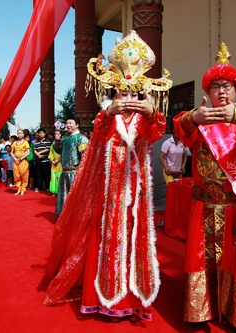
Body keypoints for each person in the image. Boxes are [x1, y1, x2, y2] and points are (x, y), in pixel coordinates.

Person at [39, 30, 172, 322]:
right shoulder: (106, 117)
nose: (128, 98)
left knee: (135, 241)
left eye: (133, 93)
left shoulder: (144, 119)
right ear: (115, 93)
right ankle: (105, 301)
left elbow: (156, 132)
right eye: (122, 93)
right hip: (109, 194)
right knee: (107, 241)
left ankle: (135, 301)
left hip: (136, 195)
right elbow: (100, 134)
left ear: (141, 94)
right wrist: (110, 112)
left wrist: (150, 112)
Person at [173, 42, 236, 332]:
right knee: (199, 258)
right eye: (216, 86)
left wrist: (235, 115)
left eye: (227, 85)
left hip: (234, 205)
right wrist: (194, 117)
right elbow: (179, 126)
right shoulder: (200, 120)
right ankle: (199, 311)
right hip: (203, 204)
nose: (222, 91)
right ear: (208, 92)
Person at [54, 117, 88, 216]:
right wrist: (58, 141)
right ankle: (65, 216)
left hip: (75, 172)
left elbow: (85, 157)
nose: (68, 125)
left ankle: (76, 216)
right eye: (66, 123)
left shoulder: (81, 138)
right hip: (64, 171)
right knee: (64, 195)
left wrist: (81, 173)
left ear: (77, 125)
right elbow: (57, 150)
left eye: (70, 123)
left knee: (75, 196)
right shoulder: (65, 138)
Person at [11, 130, 30, 195]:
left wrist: (21, 158)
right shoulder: (15, 142)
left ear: (23, 134)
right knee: (16, 175)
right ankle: (18, 188)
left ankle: (23, 189)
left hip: (23, 160)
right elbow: (11, 152)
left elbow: (28, 152)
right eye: (18, 133)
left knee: (24, 175)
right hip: (15, 161)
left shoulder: (25, 142)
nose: (20, 135)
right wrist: (15, 159)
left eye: (21, 133)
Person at [33, 128, 51, 193]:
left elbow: (47, 149)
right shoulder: (36, 142)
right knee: (38, 175)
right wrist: (38, 155)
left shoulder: (47, 141)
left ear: (45, 134)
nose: (40, 134)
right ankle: (38, 187)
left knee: (46, 175)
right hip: (38, 160)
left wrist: (39, 153)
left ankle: (47, 187)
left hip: (45, 160)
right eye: (39, 133)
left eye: (42, 133)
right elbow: (34, 149)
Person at [48, 129, 63, 196]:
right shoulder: (53, 144)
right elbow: (50, 153)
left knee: (59, 177)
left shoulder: (63, 144)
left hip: (60, 163)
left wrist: (57, 161)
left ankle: (59, 191)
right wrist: (52, 160)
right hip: (54, 163)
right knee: (53, 177)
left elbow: (63, 154)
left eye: (58, 134)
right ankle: (53, 191)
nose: (56, 135)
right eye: (55, 134)